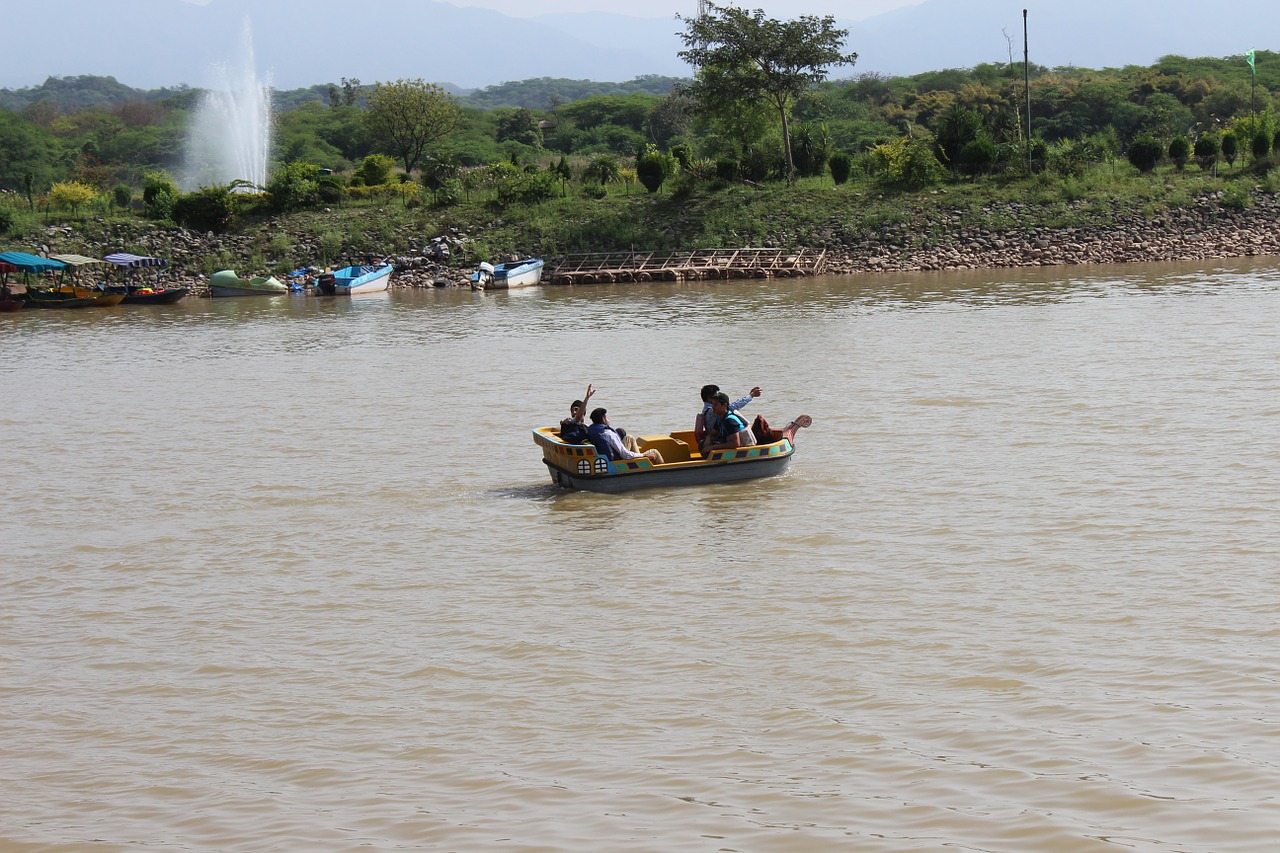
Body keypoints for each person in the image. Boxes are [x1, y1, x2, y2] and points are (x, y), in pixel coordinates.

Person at [696, 383, 761, 451]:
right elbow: (735, 406)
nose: (718, 396)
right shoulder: (714, 412)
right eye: (716, 395)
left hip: (733, 442)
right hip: (722, 438)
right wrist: (751, 395)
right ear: (709, 398)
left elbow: (735, 443)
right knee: (702, 445)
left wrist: (711, 446)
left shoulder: (727, 419)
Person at [587, 407, 663, 465]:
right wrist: (644, 455)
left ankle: (641, 460)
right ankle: (662, 473)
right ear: (603, 420)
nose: (608, 419)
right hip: (617, 462)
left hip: (606, 458)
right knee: (654, 452)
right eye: (607, 417)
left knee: (629, 437)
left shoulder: (591, 430)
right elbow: (625, 454)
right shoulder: (608, 434)